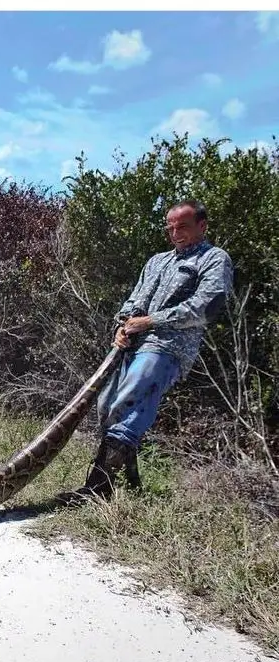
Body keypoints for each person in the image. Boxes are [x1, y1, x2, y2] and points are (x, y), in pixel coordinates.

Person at [56, 199, 234, 505]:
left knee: (127, 403)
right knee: (107, 406)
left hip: (167, 347)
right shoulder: (157, 261)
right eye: (171, 227)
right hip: (132, 343)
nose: (175, 233)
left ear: (202, 226)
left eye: (183, 227)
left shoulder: (214, 259)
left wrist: (151, 321)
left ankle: (97, 488)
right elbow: (135, 299)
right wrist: (123, 325)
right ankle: (129, 483)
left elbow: (206, 306)